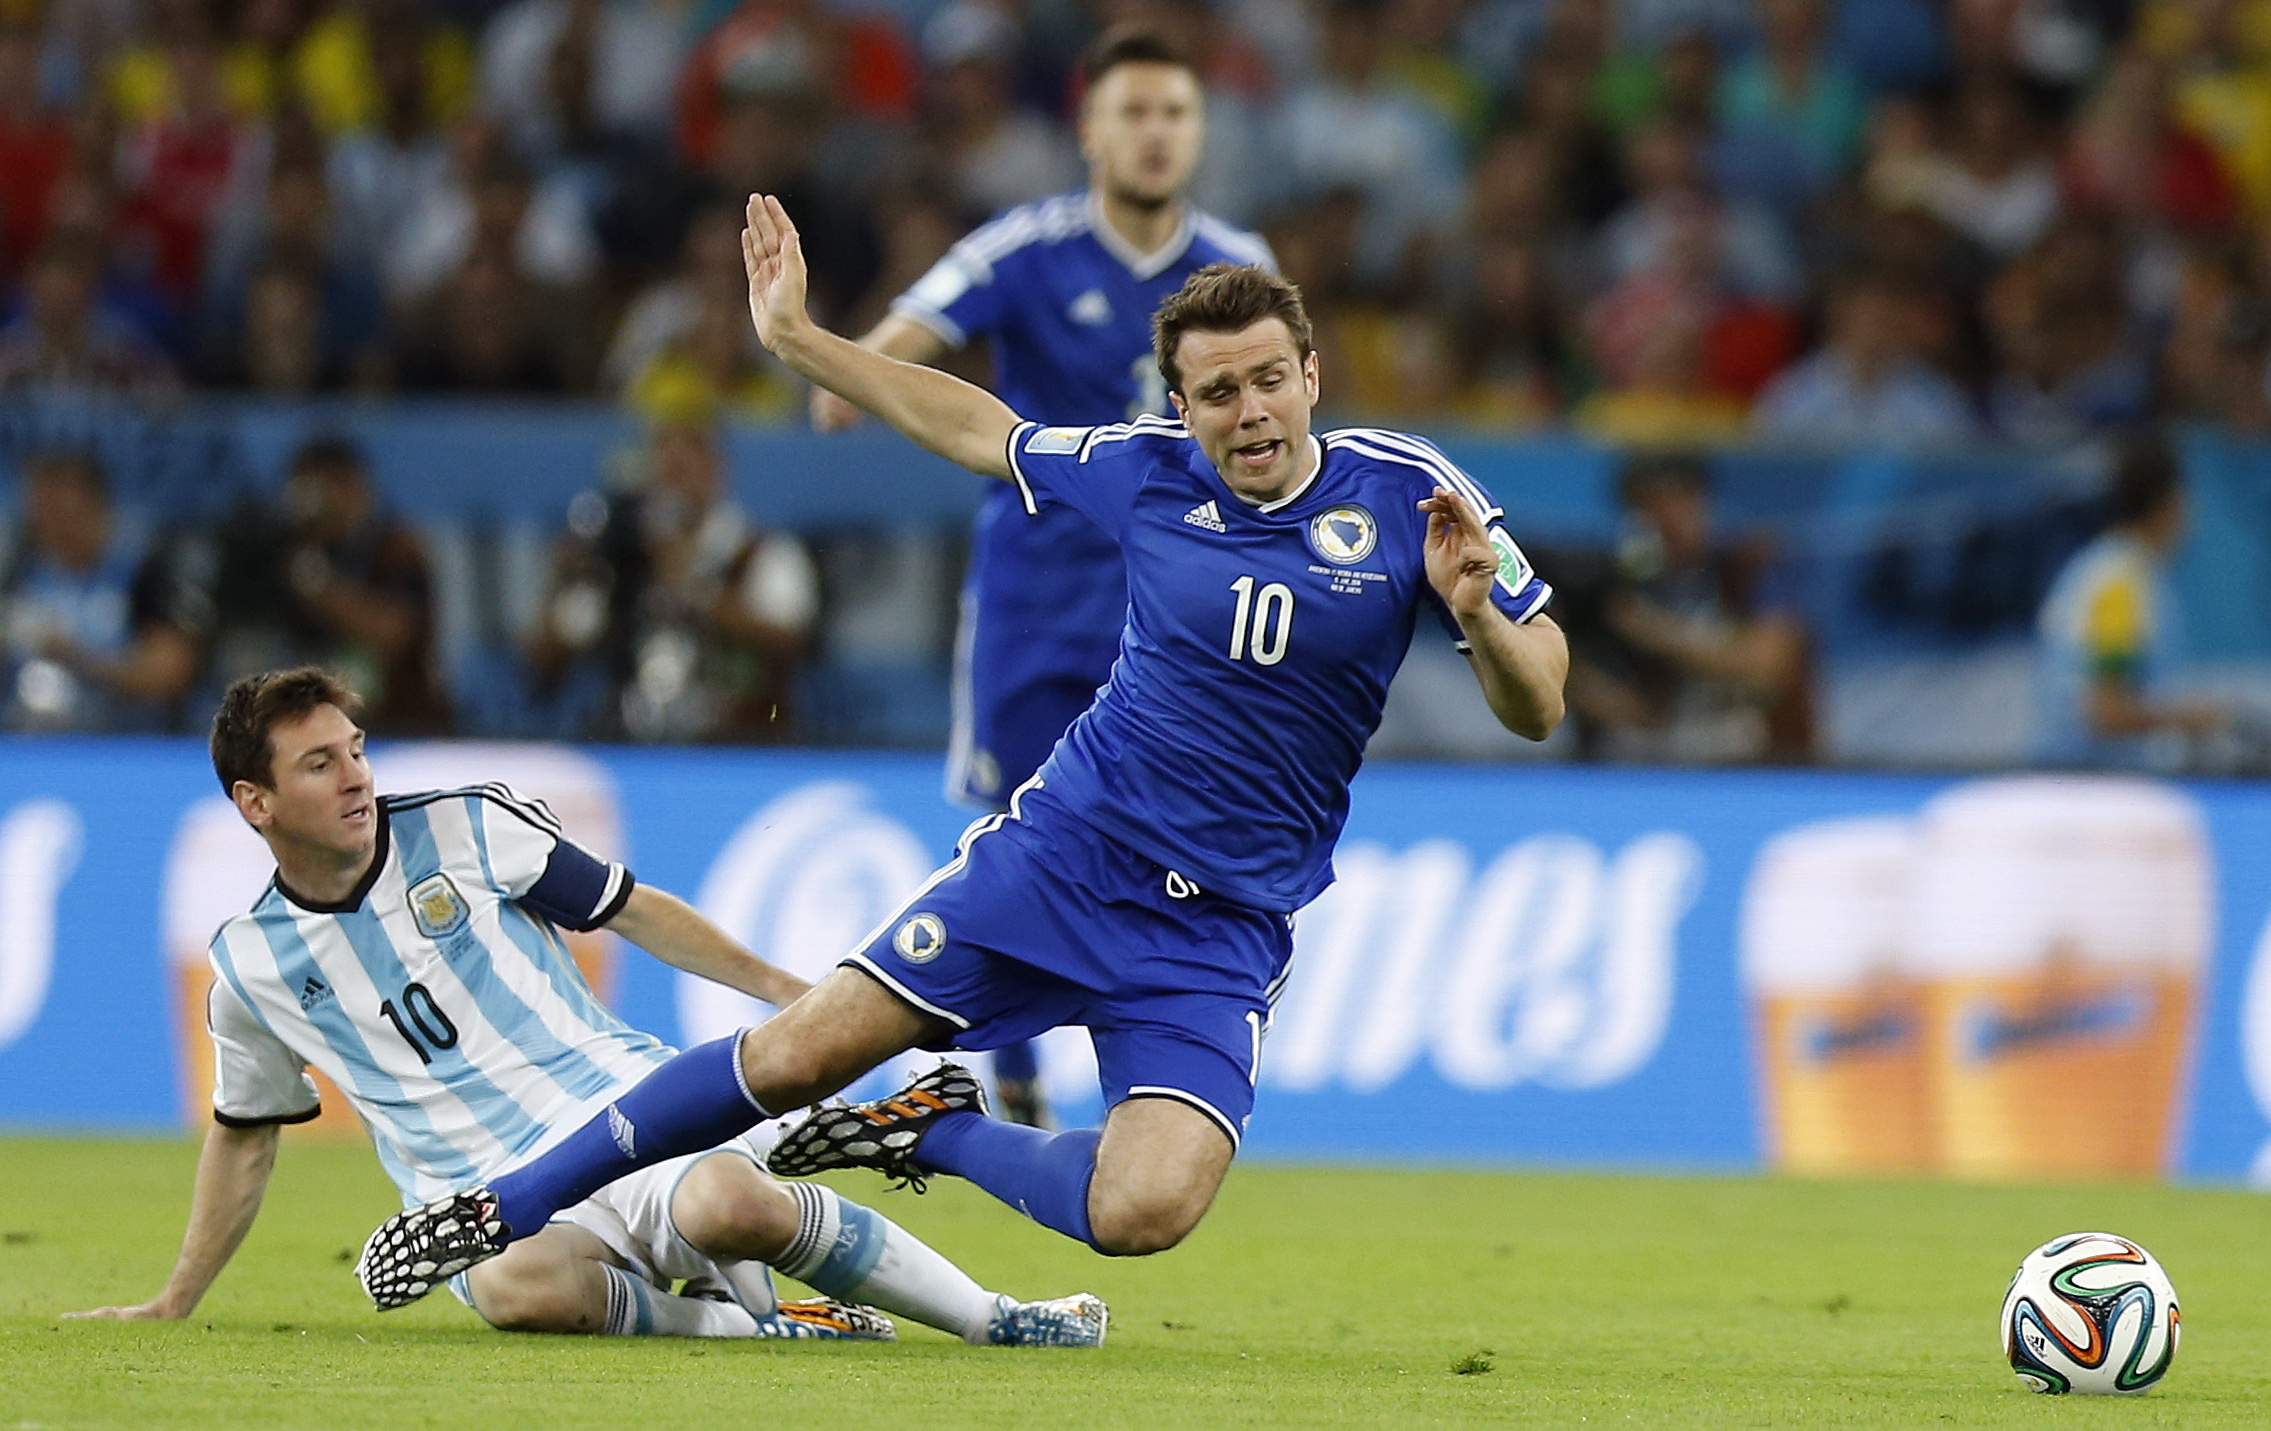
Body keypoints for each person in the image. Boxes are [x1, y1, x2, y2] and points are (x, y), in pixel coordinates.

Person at [348, 200, 1564, 1308]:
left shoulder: (1413, 497)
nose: (1247, 415)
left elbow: (1540, 701)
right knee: (797, 1051)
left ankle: (930, 1128)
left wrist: (1473, 621)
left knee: (1143, 1212)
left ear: (1310, 376)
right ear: (1178, 403)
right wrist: (804, 344)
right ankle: (498, 1206)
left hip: (1224, 923)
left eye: (1265, 384)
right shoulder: (1142, 474)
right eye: (1215, 395)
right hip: (1067, 857)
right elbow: (978, 425)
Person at [69, 667, 1104, 1347]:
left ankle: (1000, 1318)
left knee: (728, 1205)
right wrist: (175, 1299)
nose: (355, 777)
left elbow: (633, 911)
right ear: (255, 803)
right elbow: (244, 1138)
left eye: (355, 749)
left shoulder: (467, 827)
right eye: (319, 763)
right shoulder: (250, 964)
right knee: (520, 1291)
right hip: (478, 1197)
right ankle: (772, 1325)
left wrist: (801, 999)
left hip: (617, 1108)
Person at [812, 27, 1274, 1128]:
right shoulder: (1022, 249)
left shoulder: (1239, 261)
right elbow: (898, 343)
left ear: (1199, 132)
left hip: (1173, 613)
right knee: (1015, 832)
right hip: (1035, 598)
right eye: (1135, 114)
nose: (1156, 135)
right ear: (1090, 132)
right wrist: (853, 373)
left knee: (1160, 836)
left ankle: (1140, 1069)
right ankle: (1008, 1061)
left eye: (1175, 114)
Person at [1563, 452, 1812, 765]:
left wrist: (1650, 629)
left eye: (1679, 502)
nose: (1667, 520)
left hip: (1757, 764)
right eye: (1648, 507)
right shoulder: (1614, 581)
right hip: (1652, 763)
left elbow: (1768, 664)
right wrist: (1591, 689)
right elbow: (1584, 681)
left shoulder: (1748, 565)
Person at [2036, 440, 2226, 769]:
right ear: (2167, 505)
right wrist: (2191, 718)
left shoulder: (2115, 569)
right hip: (2088, 787)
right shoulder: (2118, 584)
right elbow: (2105, 712)